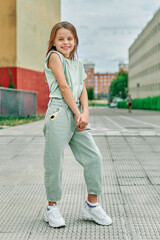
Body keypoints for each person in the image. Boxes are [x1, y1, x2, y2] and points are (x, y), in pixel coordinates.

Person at [43, 21, 112, 228]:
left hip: (77, 113)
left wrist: (86, 113)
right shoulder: (54, 57)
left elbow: (82, 89)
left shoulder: (78, 64)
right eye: (61, 39)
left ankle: (91, 206)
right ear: (54, 42)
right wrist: (77, 113)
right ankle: (51, 208)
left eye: (70, 38)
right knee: (54, 161)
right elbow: (64, 87)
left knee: (94, 157)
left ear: (75, 41)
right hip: (59, 111)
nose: (66, 42)